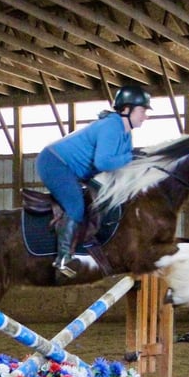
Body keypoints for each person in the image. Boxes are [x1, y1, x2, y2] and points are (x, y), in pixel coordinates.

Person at [35, 85, 152, 278]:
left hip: (78, 170)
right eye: (142, 110)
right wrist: (133, 157)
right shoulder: (112, 126)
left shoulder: (125, 133)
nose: (145, 116)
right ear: (127, 109)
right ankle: (63, 258)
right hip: (55, 163)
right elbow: (104, 162)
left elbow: (121, 166)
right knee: (76, 206)